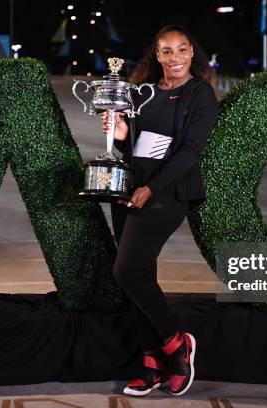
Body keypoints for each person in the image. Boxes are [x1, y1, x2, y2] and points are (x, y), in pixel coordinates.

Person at [100, 25, 218, 397]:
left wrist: (151, 188)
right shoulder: (143, 93)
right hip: (131, 189)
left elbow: (189, 153)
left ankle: (176, 344)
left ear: (191, 53)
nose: (175, 58)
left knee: (127, 270)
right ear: (157, 55)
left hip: (168, 191)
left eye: (182, 50)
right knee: (138, 275)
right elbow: (131, 147)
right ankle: (151, 363)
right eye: (166, 51)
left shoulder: (201, 94)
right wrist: (117, 134)